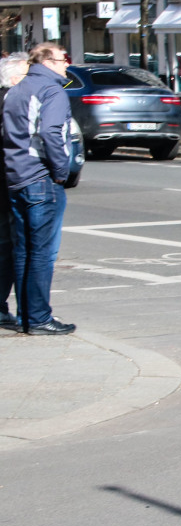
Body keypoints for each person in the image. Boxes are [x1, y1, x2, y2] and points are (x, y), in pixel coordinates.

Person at [3, 43, 76, 334]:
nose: (66, 65)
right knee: (42, 253)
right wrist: (61, 171)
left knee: (23, 251)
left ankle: (27, 317)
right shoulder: (51, 90)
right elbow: (51, 132)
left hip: (17, 177)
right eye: (62, 59)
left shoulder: (15, 90)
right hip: (40, 178)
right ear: (46, 61)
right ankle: (38, 318)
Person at [0, 54, 29, 331]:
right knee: (15, 246)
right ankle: (29, 313)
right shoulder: (11, 101)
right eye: (26, 75)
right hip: (9, 182)